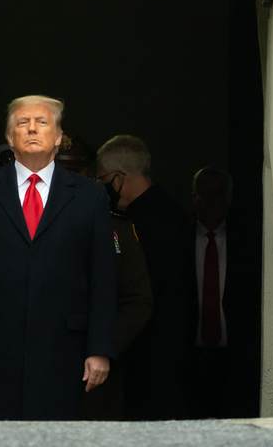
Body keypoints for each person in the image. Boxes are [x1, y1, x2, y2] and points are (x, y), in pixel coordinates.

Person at [0, 95, 117, 420]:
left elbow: (103, 277)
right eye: (22, 122)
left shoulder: (90, 196)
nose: (32, 129)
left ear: (59, 138)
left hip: (63, 350)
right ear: (9, 137)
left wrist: (100, 349)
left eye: (42, 122)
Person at [57, 134, 153, 420]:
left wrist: (101, 348)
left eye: (75, 173)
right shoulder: (21, 224)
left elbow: (137, 301)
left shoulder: (115, 228)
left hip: (94, 373)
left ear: (90, 177)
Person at [96, 134, 191, 420]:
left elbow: (140, 291)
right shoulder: (173, 212)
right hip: (170, 346)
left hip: (148, 350)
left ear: (118, 177)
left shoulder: (138, 223)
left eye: (102, 178)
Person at [188, 167, 261, 419]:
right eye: (203, 194)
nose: (209, 201)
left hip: (237, 356)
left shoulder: (249, 242)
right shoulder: (178, 238)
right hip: (188, 357)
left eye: (217, 194)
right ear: (193, 197)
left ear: (228, 199)